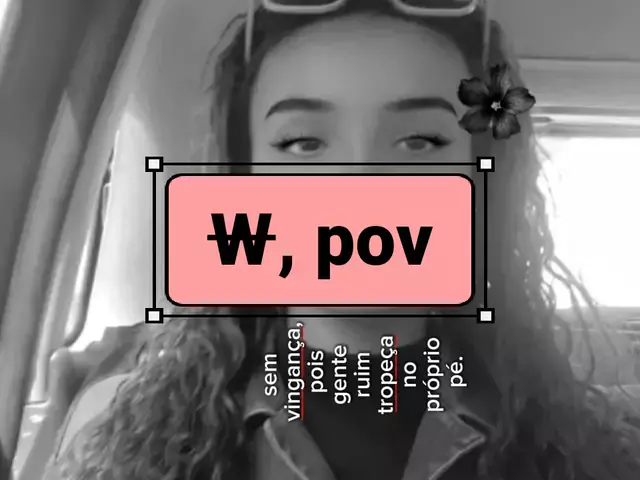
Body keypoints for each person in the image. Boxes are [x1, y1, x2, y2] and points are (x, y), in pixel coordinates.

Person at [43, 0, 640, 479]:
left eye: (419, 142)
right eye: (304, 144)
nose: (359, 184)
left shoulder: (581, 448)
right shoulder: (121, 434)